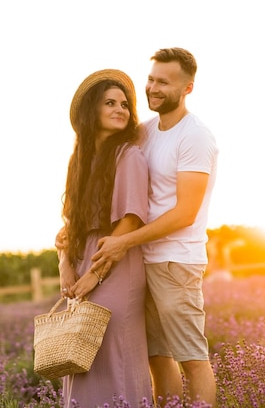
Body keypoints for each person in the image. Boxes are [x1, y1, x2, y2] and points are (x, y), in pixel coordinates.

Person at [87, 48, 219, 407]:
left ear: (187, 88)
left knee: (192, 358)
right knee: (158, 358)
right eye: (151, 79)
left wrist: (124, 241)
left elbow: (184, 213)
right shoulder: (145, 132)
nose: (153, 88)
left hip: (176, 262)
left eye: (164, 82)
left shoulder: (195, 137)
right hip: (143, 264)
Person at [56, 69, 152, 407]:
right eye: (110, 102)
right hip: (83, 262)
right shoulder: (77, 162)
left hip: (118, 265)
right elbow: (70, 225)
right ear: (90, 110)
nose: (120, 109)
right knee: (78, 354)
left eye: (125, 104)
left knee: (112, 351)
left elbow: (131, 220)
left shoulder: (129, 156)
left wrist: (95, 276)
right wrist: (65, 269)